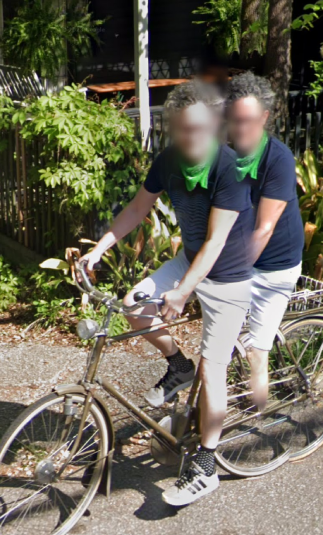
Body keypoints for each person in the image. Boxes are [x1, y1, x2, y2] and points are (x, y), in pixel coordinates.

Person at [82, 80, 254, 506]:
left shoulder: (229, 170)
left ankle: (207, 465)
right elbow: (139, 208)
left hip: (229, 273)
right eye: (179, 129)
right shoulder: (170, 161)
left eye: (195, 129)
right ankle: (177, 365)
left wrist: (181, 293)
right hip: (190, 260)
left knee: (213, 370)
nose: (187, 138)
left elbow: (216, 243)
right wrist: (101, 247)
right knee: (132, 306)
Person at [226, 73, 305, 411]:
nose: (240, 129)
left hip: (275, 265)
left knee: (257, 350)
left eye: (247, 121)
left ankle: (262, 421)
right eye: (233, 120)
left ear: (264, 118)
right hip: (244, 257)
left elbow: (264, 229)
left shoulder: (278, 159)